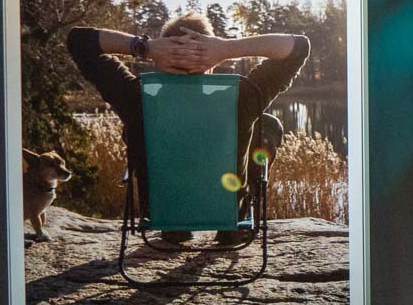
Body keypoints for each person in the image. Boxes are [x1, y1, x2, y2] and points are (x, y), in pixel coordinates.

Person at [67, 13, 309, 241]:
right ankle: (234, 224)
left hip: (163, 212)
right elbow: (298, 48)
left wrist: (145, 47)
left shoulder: (136, 98)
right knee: (266, 125)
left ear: (160, 59)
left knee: (133, 129)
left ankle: (176, 228)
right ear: (212, 63)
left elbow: (78, 41)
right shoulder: (241, 99)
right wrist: (226, 49)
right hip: (228, 211)